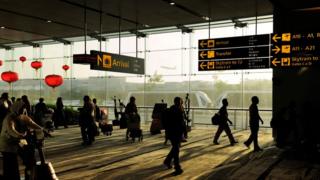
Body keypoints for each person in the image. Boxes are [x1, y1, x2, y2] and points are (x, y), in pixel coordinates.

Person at [0, 100, 42, 180]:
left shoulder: (21, 116)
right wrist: (20, 135)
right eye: (22, 108)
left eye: (24, 108)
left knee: (29, 158)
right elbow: (11, 130)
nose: (23, 110)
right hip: (7, 145)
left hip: (16, 142)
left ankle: (28, 174)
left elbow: (31, 123)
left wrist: (41, 129)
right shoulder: (9, 118)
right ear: (16, 108)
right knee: (11, 164)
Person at [163, 97, 184, 175]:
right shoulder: (177, 110)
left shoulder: (172, 109)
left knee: (175, 148)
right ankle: (177, 167)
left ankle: (167, 161)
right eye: (180, 102)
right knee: (176, 149)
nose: (181, 103)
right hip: (175, 133)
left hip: (172, 132)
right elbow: (181, 123)